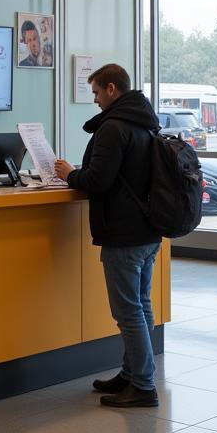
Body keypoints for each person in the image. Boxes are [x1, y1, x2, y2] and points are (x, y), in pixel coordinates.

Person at [53, 63, 162, 408]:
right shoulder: (145, 122)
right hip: (148, 231)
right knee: (141, 305)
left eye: (97, 93)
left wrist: (71, 174)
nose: (96, 101)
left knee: (128, 311)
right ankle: (132, 373)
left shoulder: (114, 128)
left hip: (123, 233)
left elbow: (98, 180)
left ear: (112, 89)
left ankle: (143, 385)